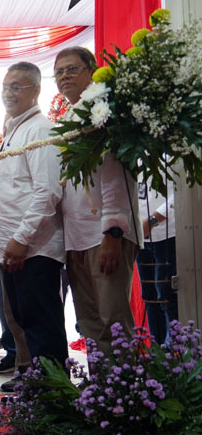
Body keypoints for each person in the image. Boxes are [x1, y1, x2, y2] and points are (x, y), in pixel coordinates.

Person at [0, 62, 68, 376]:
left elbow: (47, 193)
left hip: (33, 249)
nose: (8, 93)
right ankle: (40, 392)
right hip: (15, 248)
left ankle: (55, 402)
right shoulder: (17, 128)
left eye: (17, 86)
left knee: (42, 325)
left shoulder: (41, 129)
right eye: (5, 86)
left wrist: (20, 239)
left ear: (37, 90)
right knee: (26, 323)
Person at [54, 47, 142, 357]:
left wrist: (113, 232)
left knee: (113, 322)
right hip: (76, 237)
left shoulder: (105, 110)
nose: (65, 75)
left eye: (72, 69)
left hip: (104, 234)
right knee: (89, 324)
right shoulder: (68, 117)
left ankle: (126, 399)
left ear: (92, 71)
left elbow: (115, 174)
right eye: (59, 71)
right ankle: (101, 399)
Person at [138, 183, 176, 343]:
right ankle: (157, 354)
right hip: (141, 238)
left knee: (167, 296)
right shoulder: (134, 158)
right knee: (149, 297)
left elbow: (179, 195)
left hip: (168, 235)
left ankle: (177, 354)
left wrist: (152, 221)